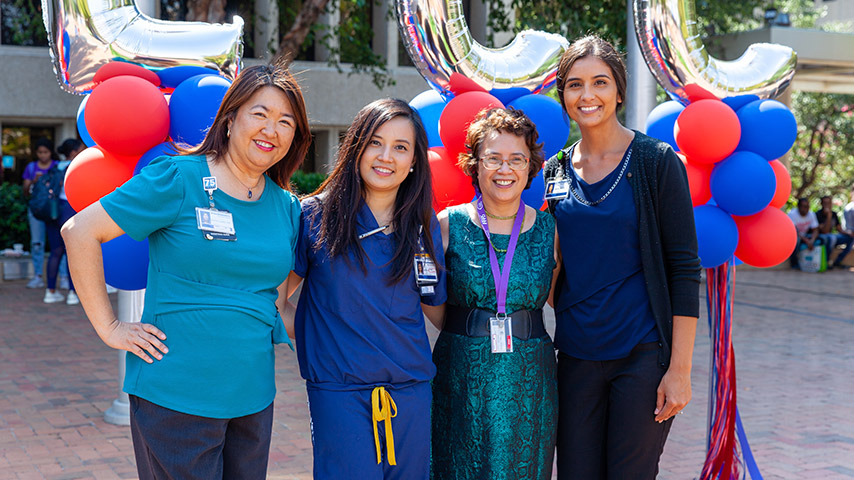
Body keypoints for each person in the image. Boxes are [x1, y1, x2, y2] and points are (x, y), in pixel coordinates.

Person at [61, 64, 311, 479]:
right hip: (176, 396)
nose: (272, 129)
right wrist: (109, 327)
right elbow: (80, 232)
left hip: (252, 400)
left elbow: (278, 303)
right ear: (230, 119)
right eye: (260, 114)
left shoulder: (286, 208)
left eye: (286, 121)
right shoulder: (179, 178)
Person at [542, 35, 701, 479]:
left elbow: (685, 271)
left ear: (619, 89)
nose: (587, 95)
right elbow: (556, 264)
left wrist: (679, 371)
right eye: (574, 85)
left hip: (642, 356)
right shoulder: (553, 172)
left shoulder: (657, 163)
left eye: (600, 82)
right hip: (574, 356)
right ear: (563, 95)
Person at [283, 98, 445, 479]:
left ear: (414, 162)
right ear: (356, 146)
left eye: (400, 147)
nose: (386, 156)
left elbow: (436, 308)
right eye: (375, 142)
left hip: (411, 395)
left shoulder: (422, 226)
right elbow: (277, 300)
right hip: (340, 396)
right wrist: (321, 339)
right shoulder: (315, 216)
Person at [430, 108, 558, 480]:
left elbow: (559, 297)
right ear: (475, 164)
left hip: (529, 376)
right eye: (493, 159)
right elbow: (429, 296)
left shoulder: (550, 228)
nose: (505, 169)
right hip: (461, 371)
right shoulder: (446, 225)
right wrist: (472, 326)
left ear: (529, 166)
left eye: (516, 159)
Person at [42, 138, 86, 305]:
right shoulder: (77, 167)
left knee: (55, 252)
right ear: (73, 152)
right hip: (69, 209)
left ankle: (50, 292)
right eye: (81, 149)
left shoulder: (55, 167)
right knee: (72, 253)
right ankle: (72, 294)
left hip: (52, 211)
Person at [21, 138, 58, 289]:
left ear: (51, 152)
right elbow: (24, 192)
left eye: (46, 152)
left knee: (58, 245)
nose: (43, 155)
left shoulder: (57, 167)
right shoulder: (31, 167)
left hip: (54, 209)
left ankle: (62, 276)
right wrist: (33, 181)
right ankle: (37, 276)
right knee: (37, 243)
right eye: (40, 152)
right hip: (36, 210)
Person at [815, 195, 853, 269]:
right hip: (821, 237)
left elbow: (839, 229)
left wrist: (849, 233)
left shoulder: (834, 214)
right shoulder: (818, 214)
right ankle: (827, 262)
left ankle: (838, 261)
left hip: (832, 237)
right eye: (825, 203)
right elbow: (825, 231)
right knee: (831, 238)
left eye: (829, 203)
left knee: (850, 238)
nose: (827, 205)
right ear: (821, 204)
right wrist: (829, 216)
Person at [788, 197, 821, 269]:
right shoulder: (792, 214)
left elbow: (815, 230)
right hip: (794, 236)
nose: (806, 209)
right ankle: (794, 264)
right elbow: (794, 231)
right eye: (804, 206)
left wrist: (811, 240)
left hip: (806, 236)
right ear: (798, 206)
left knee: (822, 239)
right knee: (796, 241)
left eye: (807, 206)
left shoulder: (811, 214)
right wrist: (807, 241)